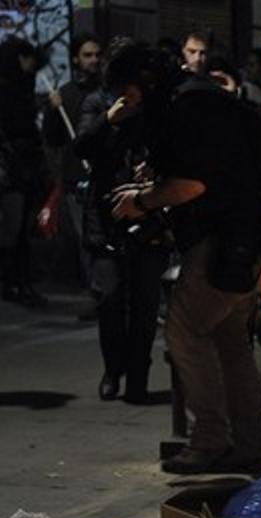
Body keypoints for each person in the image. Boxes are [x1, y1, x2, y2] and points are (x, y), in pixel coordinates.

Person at [106, 42, 261, 475]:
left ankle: (210, 440)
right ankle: (251, 444)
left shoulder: (187, 104)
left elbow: (194, 184)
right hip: (246, 237)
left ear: (144, 79)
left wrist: (141, 201)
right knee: (229, 341)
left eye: (129, 91)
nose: (127, 100)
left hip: (222, 240)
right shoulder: (198, 96)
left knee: (184, 331)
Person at [74, 36, 169, 403]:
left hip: (147, 210)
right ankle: (113, 368)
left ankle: (138, 377)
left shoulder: (154, 104)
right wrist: (107, 120)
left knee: (145, 301)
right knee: (110, 298)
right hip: (107, 212)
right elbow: (81, 146)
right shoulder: (97, 102)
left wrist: (155, 165)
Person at [42, 33, 104, 295]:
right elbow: (53, 138)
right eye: (87, 55)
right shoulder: (65, 95)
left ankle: (110, 291)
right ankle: (97, 292)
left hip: (105, 175)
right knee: (85, 239)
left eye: (97, 55)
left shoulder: (108, 92)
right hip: (76, 178)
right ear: (76, 59)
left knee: (106, 238)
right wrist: (54, 111)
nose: (94, 60)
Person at [0, 37, 47, 306]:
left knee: (16, 228)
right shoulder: (11, 92)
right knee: (16, 227)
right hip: (16, 167)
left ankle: (14, 281)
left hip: (18, 166)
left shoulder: (16, 86)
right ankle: (16, 281)